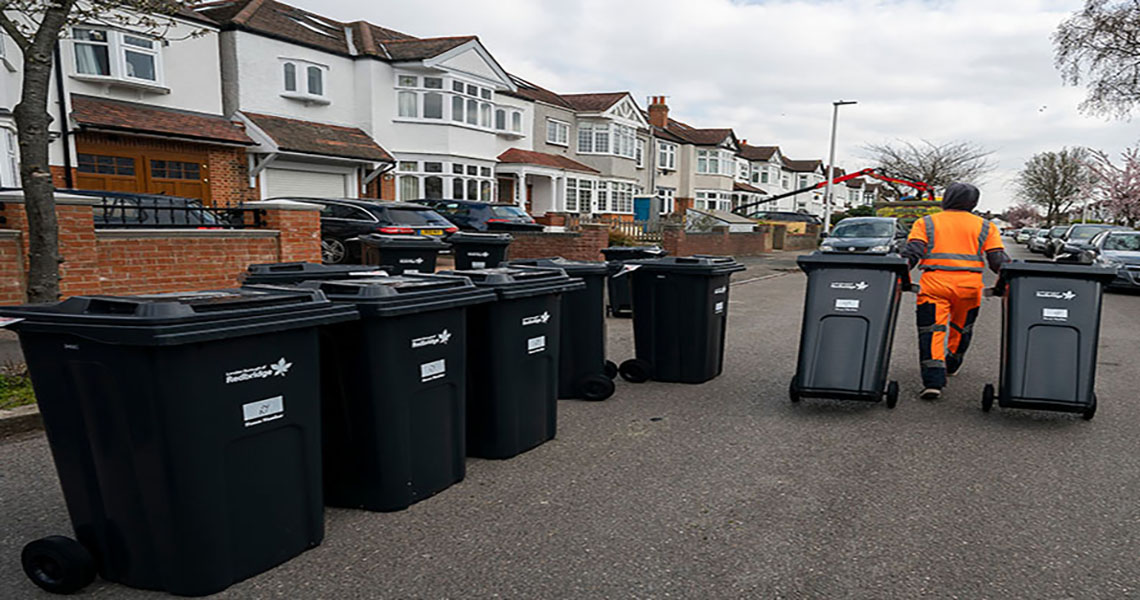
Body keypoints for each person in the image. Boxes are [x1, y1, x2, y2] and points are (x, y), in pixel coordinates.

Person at [901, 183, 1010, 400]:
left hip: (934, 284)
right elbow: (997, 260)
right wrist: (1010, 277)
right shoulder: (986, 226)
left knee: (932, 330)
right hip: (969, 286)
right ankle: (952, 363)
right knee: (962, 328)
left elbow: (911, 254)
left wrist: (897, 273)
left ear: (947, 199)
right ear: (974, 202)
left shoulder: (926, 222)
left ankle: (933, 381)